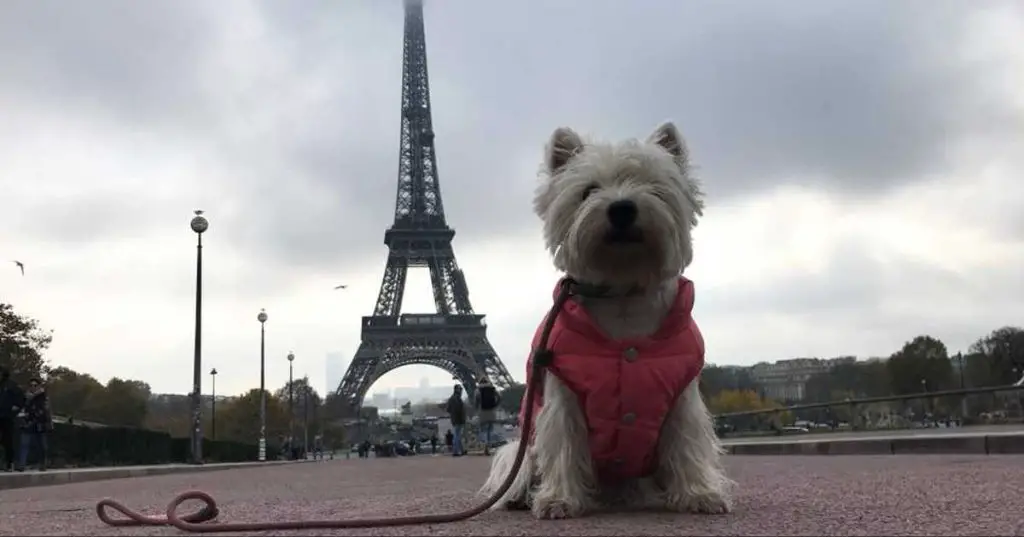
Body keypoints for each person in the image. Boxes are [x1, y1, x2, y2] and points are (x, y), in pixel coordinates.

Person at [16, 377, 51, 472]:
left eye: (35, 385)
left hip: (39, 423)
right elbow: (22, 408)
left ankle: (42, 464)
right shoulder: (26, 397)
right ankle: (21, 465)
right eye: (31, 385)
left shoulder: (43, 396)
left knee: (42, 446)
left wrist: (41, 417)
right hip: (28, 423)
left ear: (39, 386)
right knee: (24, 444)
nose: (33, 387)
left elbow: (44, 410)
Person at [0, 368, 25, 472]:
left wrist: (15, 409)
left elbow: (21, 400)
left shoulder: (12, 385)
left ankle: (9, 463)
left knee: (8, 440)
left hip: (7, 417)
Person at [475, 376, 501, 456]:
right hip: (491, 411)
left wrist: (477, 409)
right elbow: (499, 397)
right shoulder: (492, 389)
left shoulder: (478, 390)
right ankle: (488, 446)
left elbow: (476, 400)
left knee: (483, 431)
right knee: (490, 430)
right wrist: (495, 405)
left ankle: (485, 445)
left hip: (482, 411)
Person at [445, 385, 466, 456]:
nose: (461, 391)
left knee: (458, 435)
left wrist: (452, 414)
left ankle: (461, 450)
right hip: (458, 419)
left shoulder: (452, 398)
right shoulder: (458, 399)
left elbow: (448, 409)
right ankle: (456, 451)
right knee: (457, 436)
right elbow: (460, 410)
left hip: (454, 419)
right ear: (457, 390)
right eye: (460, 389)